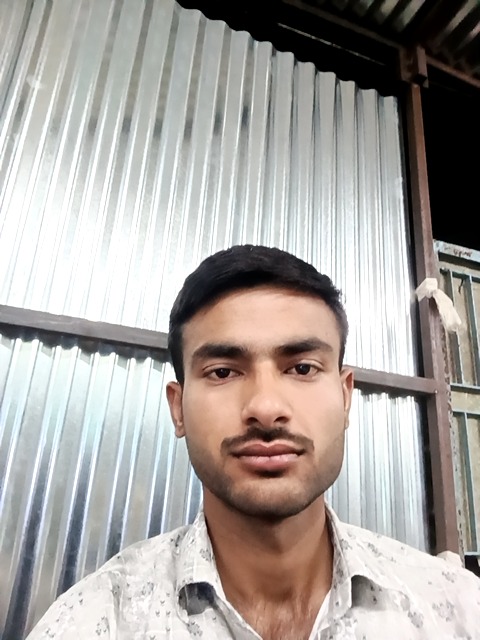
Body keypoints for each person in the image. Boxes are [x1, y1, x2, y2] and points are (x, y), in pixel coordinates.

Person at [27, 245, 480, 639]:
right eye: (223, 371)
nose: (265, 407)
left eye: (302, 368)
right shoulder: (92, 621)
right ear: (178, 408)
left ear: (345, 398)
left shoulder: (457, 610)